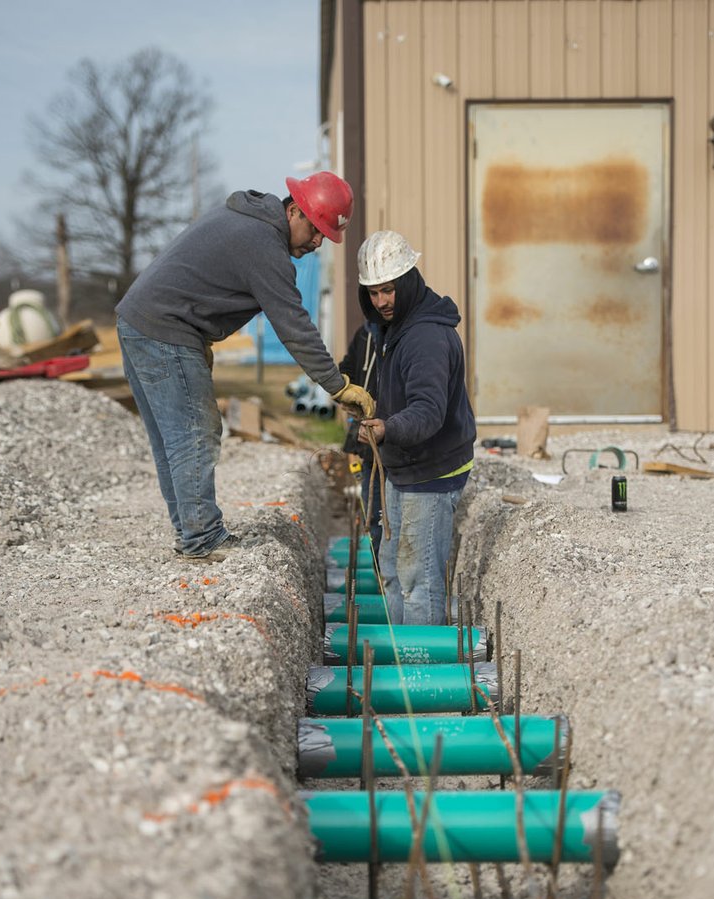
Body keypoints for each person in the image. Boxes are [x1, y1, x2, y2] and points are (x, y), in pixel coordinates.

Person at [116, 172, 373, 561]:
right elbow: (295, 327)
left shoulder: (245, 219)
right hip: (166, 328)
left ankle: (191, 531)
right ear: (294, 210)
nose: (319, 242)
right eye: (317, 230)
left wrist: (199, 337)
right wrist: (337, 386)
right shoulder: (264, 246)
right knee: (194, 432)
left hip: (140, 321)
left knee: (172, 438)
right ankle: (200, 537)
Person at [356, 230, 476, 625]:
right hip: (404, 467)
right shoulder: (398, 328)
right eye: (373, 293)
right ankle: (397, 656)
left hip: (433, 472)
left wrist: (387, 429)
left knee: (418, 580)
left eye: (388, 290)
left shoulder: (425, 336)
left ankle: (420, 672)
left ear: (407, 281)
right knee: (391, 571)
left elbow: (427, 411)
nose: (381, 301)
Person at [339, 321, 382, 552]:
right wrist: (344, 392)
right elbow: (347, 368)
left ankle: (396, 582)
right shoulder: (364, 334)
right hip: (367, 442)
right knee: (372, 513)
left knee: (395, 518)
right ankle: (381, 576)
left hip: (398, 441)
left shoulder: (408, 335)